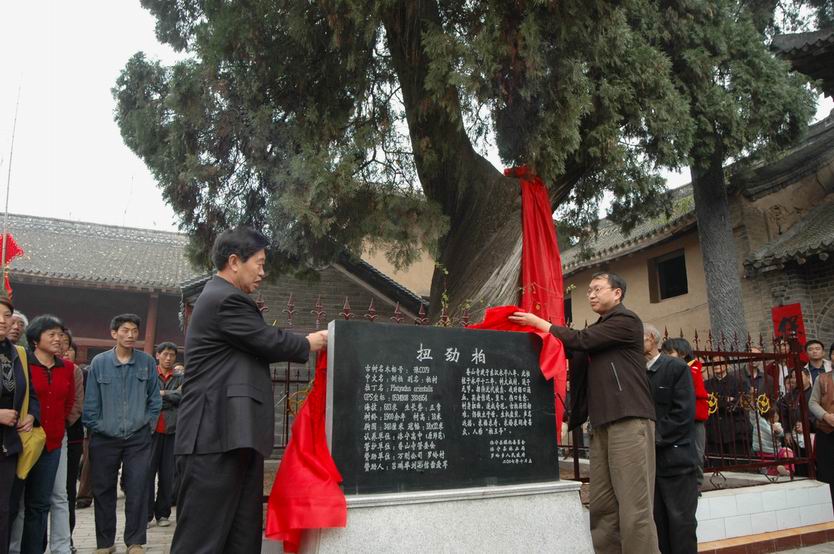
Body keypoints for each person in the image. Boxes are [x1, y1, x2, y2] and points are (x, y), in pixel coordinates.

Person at [171, 227, 328, 553]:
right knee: (202, 538)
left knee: (241, 536)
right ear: (233, 262)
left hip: (233, 435)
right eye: (258, 263)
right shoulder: (224, 299)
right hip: (213, 437)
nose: (262, 272)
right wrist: (308, 342)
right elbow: (267, 340)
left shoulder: (224, 299)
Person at [510, 272, 659, 554]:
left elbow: (581, 340)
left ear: (617, 294)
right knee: (602, 505)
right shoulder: (598, 330)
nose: (590, 294)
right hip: (601, 424)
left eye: (597, 289)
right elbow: (570, 346)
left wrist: (541, 323)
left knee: (634, 506)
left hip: (629, 420)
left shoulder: (626, 322)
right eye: (588, 290)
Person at [82, 314, 161, 554]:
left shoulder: (147, 362)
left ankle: (135, 541)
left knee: (138, 487)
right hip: (104, 437)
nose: (130, 335)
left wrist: (147, 425)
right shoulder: (99, 363)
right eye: (125, 330)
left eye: (134, 330)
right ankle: (105, 543)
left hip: (138, 437)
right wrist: (96, 426)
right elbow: (91, 401)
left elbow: (154, 400)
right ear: (114, 333)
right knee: (103, 489)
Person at [22, 315, 76, 554]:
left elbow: (69, 401)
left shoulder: (67, 368)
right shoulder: (24, 363)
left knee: (42, 502)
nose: (58, 339)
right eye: (51, 334)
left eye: (60, 334)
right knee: (22, 501)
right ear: (36, 339)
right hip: (25, 439)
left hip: (54, 441)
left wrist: (58, 424)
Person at [644, 325, 698, 554]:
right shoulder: (635, 370)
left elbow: (683, 412)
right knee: (657, 519)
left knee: (681, 519)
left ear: (651, 339)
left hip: (676, 457)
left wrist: (653, 436)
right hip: (648, 461)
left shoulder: (675, 367)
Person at [0, 297, 39, 554]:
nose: (4, 320)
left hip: (8, 446)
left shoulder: (17, 354)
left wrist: (31, 415)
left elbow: (31, 395)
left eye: (7, 315)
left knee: (4, 510)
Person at [661, 337, 709, 489]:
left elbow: (695, 392)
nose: (666, 356)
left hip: (695, 417)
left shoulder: (692, 368)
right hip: (683, 418)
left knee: (697, 452)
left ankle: (697, 484)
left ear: (682, 353)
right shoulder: (682, 368)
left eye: (670, 352)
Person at [147, 342, 182, 528]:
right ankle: (145, 514)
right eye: (165, 354)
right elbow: (147, 396)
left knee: (168, 474)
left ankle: (163, 513)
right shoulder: (150, 375)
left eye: (172, 355)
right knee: (147, 473)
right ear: (157, 355)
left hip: (172, 430)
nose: (168, 358)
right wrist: (168, 397)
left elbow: (183, 396)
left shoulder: (180, 377)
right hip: (151, 430)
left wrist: (161, 394)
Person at [60, 330, 84, 552]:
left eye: (68, 345)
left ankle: (66, 538)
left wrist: (62, 424)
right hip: (38, 435)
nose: (63, 348)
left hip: (71, 436)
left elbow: (78, 404)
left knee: (66, 492)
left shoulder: (75, 371)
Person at [704, 357, 750, 466]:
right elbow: (707, 404)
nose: (716, 365)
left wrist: (718, 401)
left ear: (727, 365)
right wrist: (725, 400)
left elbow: (740, 404)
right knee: (717, 466)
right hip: (714, 430)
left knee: (739, 465)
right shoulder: (706, 384)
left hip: (735, 430)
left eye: (719, 362)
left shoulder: (739, 382)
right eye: (713, 363)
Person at [808, 367, 834, 502]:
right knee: (828, 473)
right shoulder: (822, 378)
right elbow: (812, 402)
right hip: (826, 431)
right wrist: (825, 416)